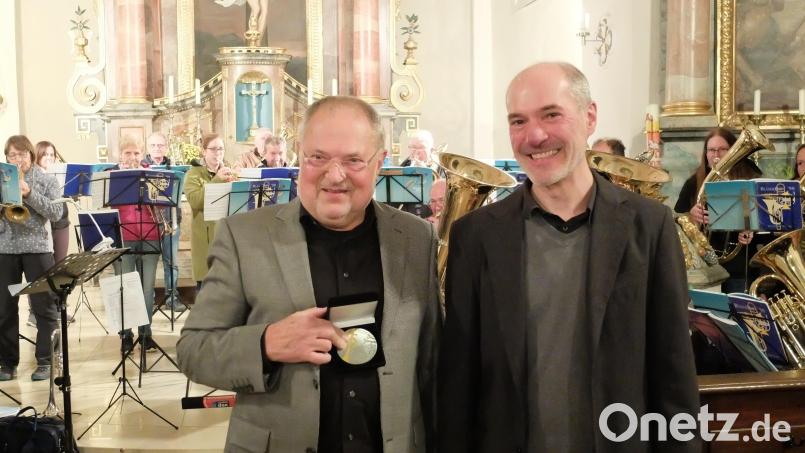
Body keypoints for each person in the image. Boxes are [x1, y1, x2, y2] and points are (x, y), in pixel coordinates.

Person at [438, 62, 699, 452]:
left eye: (551, 115)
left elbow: (673, 372)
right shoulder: (475, 235)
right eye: (518, 121)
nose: (534, 136)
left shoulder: (650, 226)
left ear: (589, 116)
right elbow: (459, 382)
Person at [177, 96, 440, 453]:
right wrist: (266, 344)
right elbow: (194, 350)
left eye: (353, 160)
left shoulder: (416, 238)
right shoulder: (244, 237)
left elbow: (431, 363)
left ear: (378, 163)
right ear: (301, 155)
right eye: (318, 157)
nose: (335, 175)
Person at [0, 135, 63, 381]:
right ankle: (7, 363)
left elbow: (57, 213)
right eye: (12, 155)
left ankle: (45, 361)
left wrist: (28, 194)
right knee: (4, 309)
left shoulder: (46, 180)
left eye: (22, 155)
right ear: (6, 158)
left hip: (37, 250)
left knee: (44, 309)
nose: (17, 160)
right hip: (5, 249)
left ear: (30, 155)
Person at [674, 127, 762, 293]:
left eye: (723, 149)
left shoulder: (750, 178)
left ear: (733, 151)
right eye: (711, 150)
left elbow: (763, 217)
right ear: (705, 154)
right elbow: (677, 219)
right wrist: (691, 216)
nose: (716, 154)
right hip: (706, 266)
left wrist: (752, 231)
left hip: (739, 265)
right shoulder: (694, 183)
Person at [111, 136, 162, 352]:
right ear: (119, 155)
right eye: (128, 153)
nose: (132, 157)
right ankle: (125, 335)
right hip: (121, 236)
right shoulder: (111, 176)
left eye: (136, 153)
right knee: (123, 289)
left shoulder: (152, 175)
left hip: (150, 235)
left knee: (147, 289)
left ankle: (145, 333)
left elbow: (165, 204)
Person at [184, 134, 237, 288]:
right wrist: (217, 180)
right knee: (206, 289)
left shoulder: (229, 172)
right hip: (206, 240)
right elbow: (196, 201)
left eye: (220, 149)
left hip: (227, 239)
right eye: (213, 149)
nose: (217, 153)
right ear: (204, 151)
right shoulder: (193, 174)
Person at [144, 132, 185, 312]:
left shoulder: (174, 169)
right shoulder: (142, 168)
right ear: (148, 148)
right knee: (149, 264)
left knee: (171, 262)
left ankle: (172, 298)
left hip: (171, 219)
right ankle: (149, 299)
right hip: (150, 222)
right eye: (153, 146)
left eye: (160, 145)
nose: (157, 149)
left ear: (166, 147)